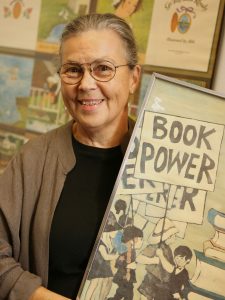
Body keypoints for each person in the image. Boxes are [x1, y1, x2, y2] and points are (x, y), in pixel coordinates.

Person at [0, 13, 141, 300]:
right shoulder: (33, 159)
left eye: (103, 68)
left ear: (134, 78)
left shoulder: (165, 161)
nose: (86, 84)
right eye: (73, 70)